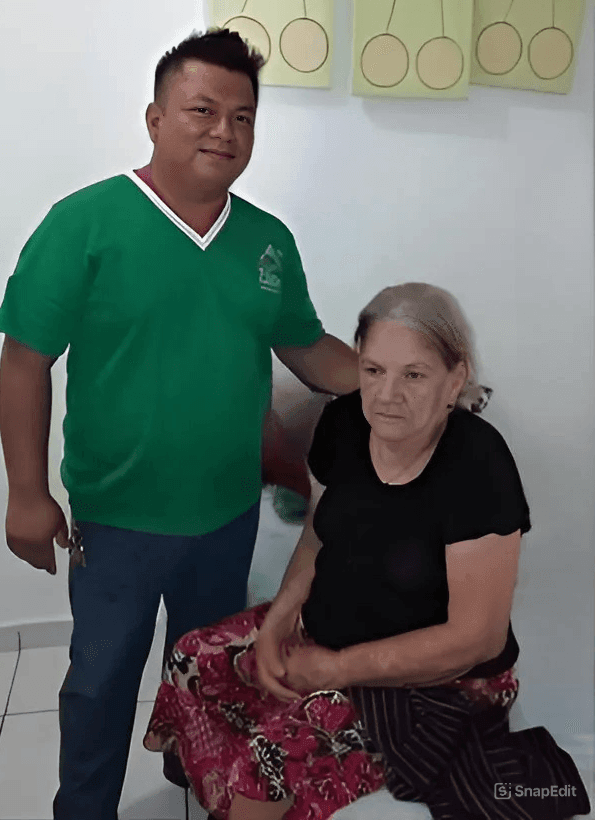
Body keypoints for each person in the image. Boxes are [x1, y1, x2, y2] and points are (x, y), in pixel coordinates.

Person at [0, 29, 360, 820]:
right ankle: (84, 807)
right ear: (155, 118)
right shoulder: (84, 224)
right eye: (202, 109)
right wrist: (27, 493)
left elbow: (303, 344)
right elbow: (25, 360)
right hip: (119, 517)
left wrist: (393, 380)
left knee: (207, 669)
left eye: (243, 116)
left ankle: (200, 780)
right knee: (102, 678)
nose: (223, 130)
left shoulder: (267, 241)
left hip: (227, 512)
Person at [143, 283, 591, 820]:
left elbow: (477, 637)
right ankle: (218, 786)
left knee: (272, 752)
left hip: (441, 679)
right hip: (326, 636)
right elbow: (317, 534)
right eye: (374, 370)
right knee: (192, 656)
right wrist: (280, 619)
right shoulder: (345, 424)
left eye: (414, 375)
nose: (386, 395)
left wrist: (336, 670)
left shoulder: (478, 463)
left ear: (456, 378)